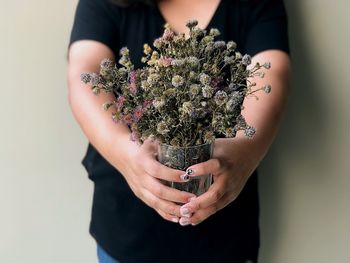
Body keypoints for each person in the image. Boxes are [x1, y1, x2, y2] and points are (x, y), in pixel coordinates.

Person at [67, 0, 290, 262]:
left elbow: (273, 73)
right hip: (126, 233)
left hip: (225, 236)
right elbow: (85, 71)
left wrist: (245, 150)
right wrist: (125, 154)